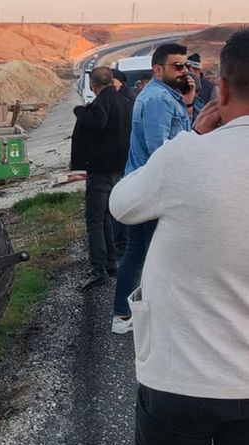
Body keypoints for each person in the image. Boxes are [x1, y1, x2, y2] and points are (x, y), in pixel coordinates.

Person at [109, 29, 249, 445]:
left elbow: (122, 205)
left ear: (221, 90)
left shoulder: (187, 155)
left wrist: (188, 138)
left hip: (178, 379)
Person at [111, 43, 192, 334]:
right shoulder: (158, 99)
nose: (184, 71)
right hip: (154, 187)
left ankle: (128, 312)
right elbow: (161, 151)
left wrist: (190, 102)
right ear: (158, 69)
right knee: (145, 251)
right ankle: (124, 314)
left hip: (149, 184)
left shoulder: (166, 95)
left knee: (142, 250)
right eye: (177, 66)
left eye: (185, 65)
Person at [72, 67, 134, 290]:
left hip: (101, 172)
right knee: (107, 216)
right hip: (120, 169)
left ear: (92, 85)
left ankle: (98, 269)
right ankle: (110, 263)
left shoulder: (101, 103)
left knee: (94, 220)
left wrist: (79, 111)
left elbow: (97, 123)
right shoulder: (125, 103)